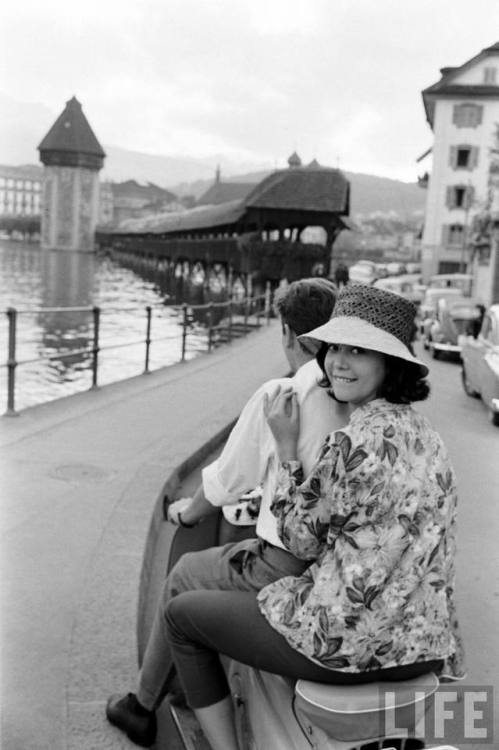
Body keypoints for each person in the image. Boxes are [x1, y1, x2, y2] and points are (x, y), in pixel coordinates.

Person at [146, 284, 465, 750]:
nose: (338, 361)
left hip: (352, 643)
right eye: (335, 346)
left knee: (181, 616)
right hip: (426, 647)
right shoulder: (428, 438)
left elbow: (300, 541)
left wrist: (288, 447)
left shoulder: (351, 444)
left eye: (359, 350)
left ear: (390, 363)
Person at [106, 278, 350, 747]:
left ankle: (141, 705)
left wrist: (187, 511)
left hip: (282, 565)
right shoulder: (361, 401)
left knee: (182, 577)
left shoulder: (282, 396)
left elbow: (223, 483)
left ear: (288, 335)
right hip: (335, 568)